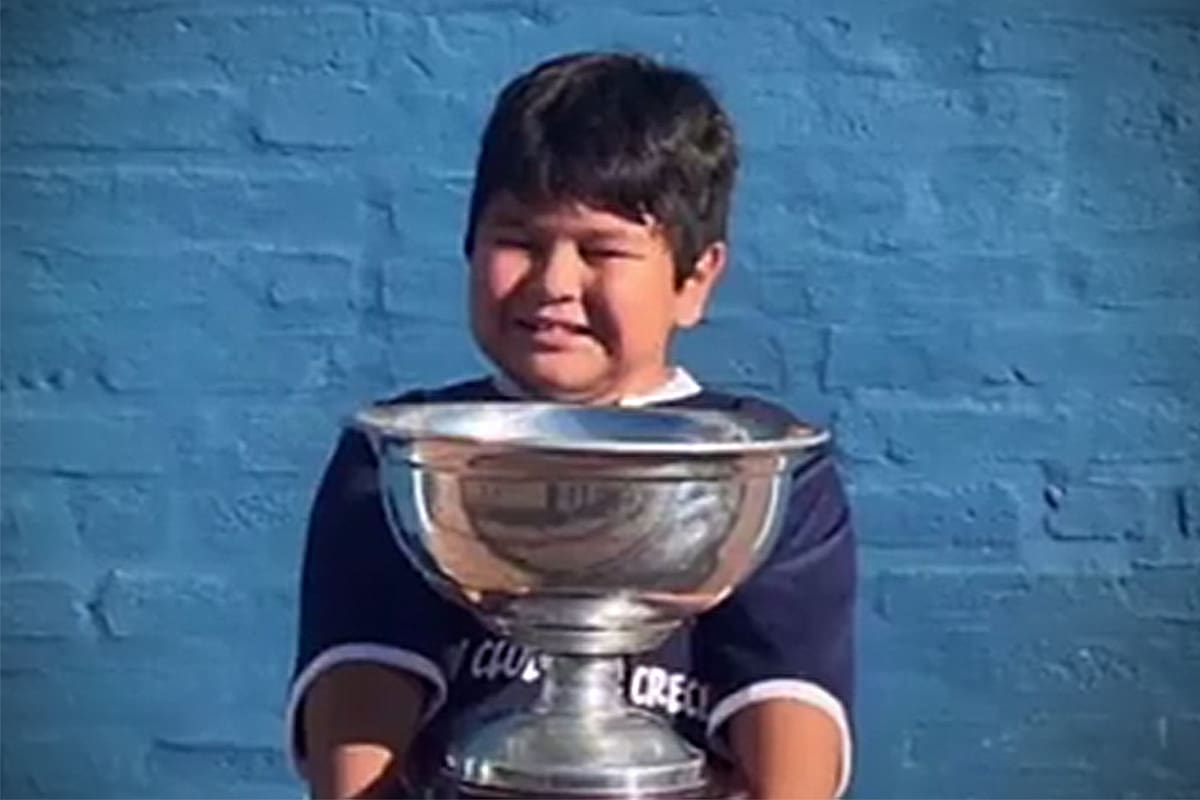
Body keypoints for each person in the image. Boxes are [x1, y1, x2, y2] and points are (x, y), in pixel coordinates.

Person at [286, 51, 857, 800]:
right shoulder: (399, 458)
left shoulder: (768, 469)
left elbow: (790, 719)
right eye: (517, 241)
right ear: (468, 247)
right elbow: (359, 710)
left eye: (602, 250)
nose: (554, 283)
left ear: (695, 280)